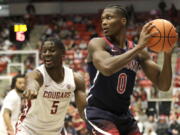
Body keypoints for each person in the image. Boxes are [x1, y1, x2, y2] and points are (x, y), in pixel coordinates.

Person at [85, 5, 173, 135]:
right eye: (102, 19)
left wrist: (167, 54)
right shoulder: (98, 43)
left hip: (124, 115)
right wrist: (139, 47)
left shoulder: (139, 52)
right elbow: (107, 68)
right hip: (99, 113)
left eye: (109, 18)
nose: (104, 22)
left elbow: (164, 85)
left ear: (123, 21)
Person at [15, 37, 86, 135]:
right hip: (29, 129)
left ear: (63, 53)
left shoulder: (76, 79)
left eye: (52, 50)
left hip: (55, 131)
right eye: (44, 51)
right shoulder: (38, 74)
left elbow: (84, 111)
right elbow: (32, 80)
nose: (47, 54)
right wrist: (31, 88)